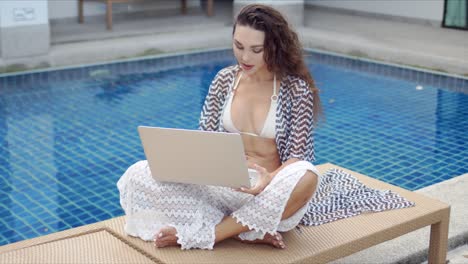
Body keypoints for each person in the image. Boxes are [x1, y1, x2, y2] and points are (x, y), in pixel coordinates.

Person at [117, 4, 323, 250]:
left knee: (307, 175)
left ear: (275, 47)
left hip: (266, 193)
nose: (245, 58)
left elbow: (299, 156)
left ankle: (214, 232)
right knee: (139, 172)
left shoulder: (295, 89)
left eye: (256, 50)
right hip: (220, 188)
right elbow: (205, 139)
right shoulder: (224, 80)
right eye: (239, 46)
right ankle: (243, 230)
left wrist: (268, 180)